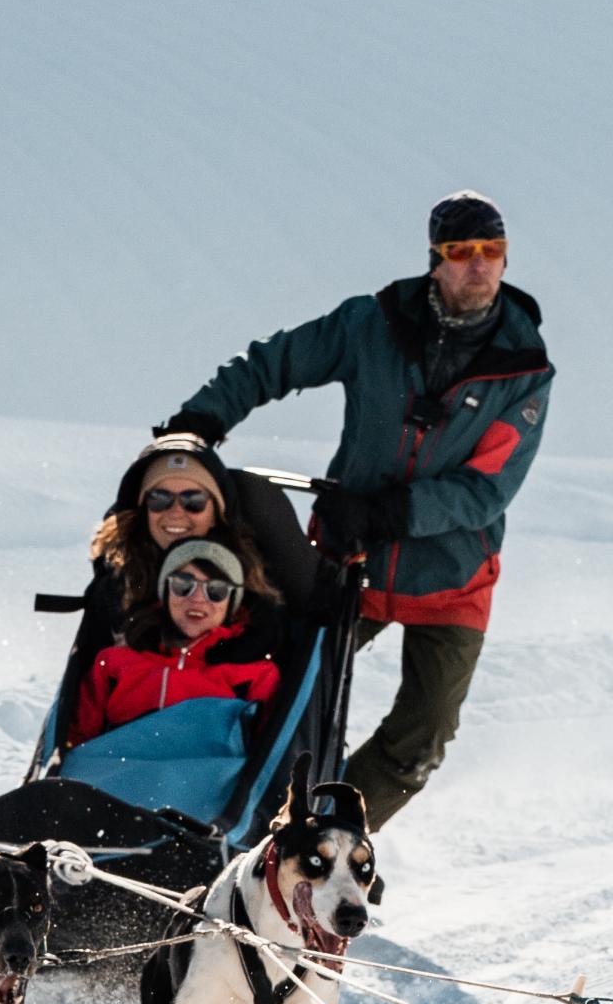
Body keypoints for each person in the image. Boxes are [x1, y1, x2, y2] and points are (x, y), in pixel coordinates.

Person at [163, 192, 552, 830]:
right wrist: (198, 423)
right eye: (462, 252)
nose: (478, 266)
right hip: (351, 563)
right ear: (436, 262)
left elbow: (486, 490)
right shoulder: (374, 325)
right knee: (282, 690)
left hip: (454, 578)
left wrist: (385, 512)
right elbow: (275, 362)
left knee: (422, 737)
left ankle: (331, 839)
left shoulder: (525, 370)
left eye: (492, 252)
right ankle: (235, 823)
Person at [47, 435, 274, 752]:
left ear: (217, 510)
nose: (176, 513)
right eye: (160, 499)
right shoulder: (118, 588)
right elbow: (82, 725)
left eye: (193, 501)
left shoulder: (254, 589)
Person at [67, 539, 285, 749]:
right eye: (183, 584)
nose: (198, 598)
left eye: (216, 590)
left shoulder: (254, 676)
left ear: (231, 604)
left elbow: (269, 760)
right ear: (165, 591)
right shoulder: (114, 665)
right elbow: (77, 745)